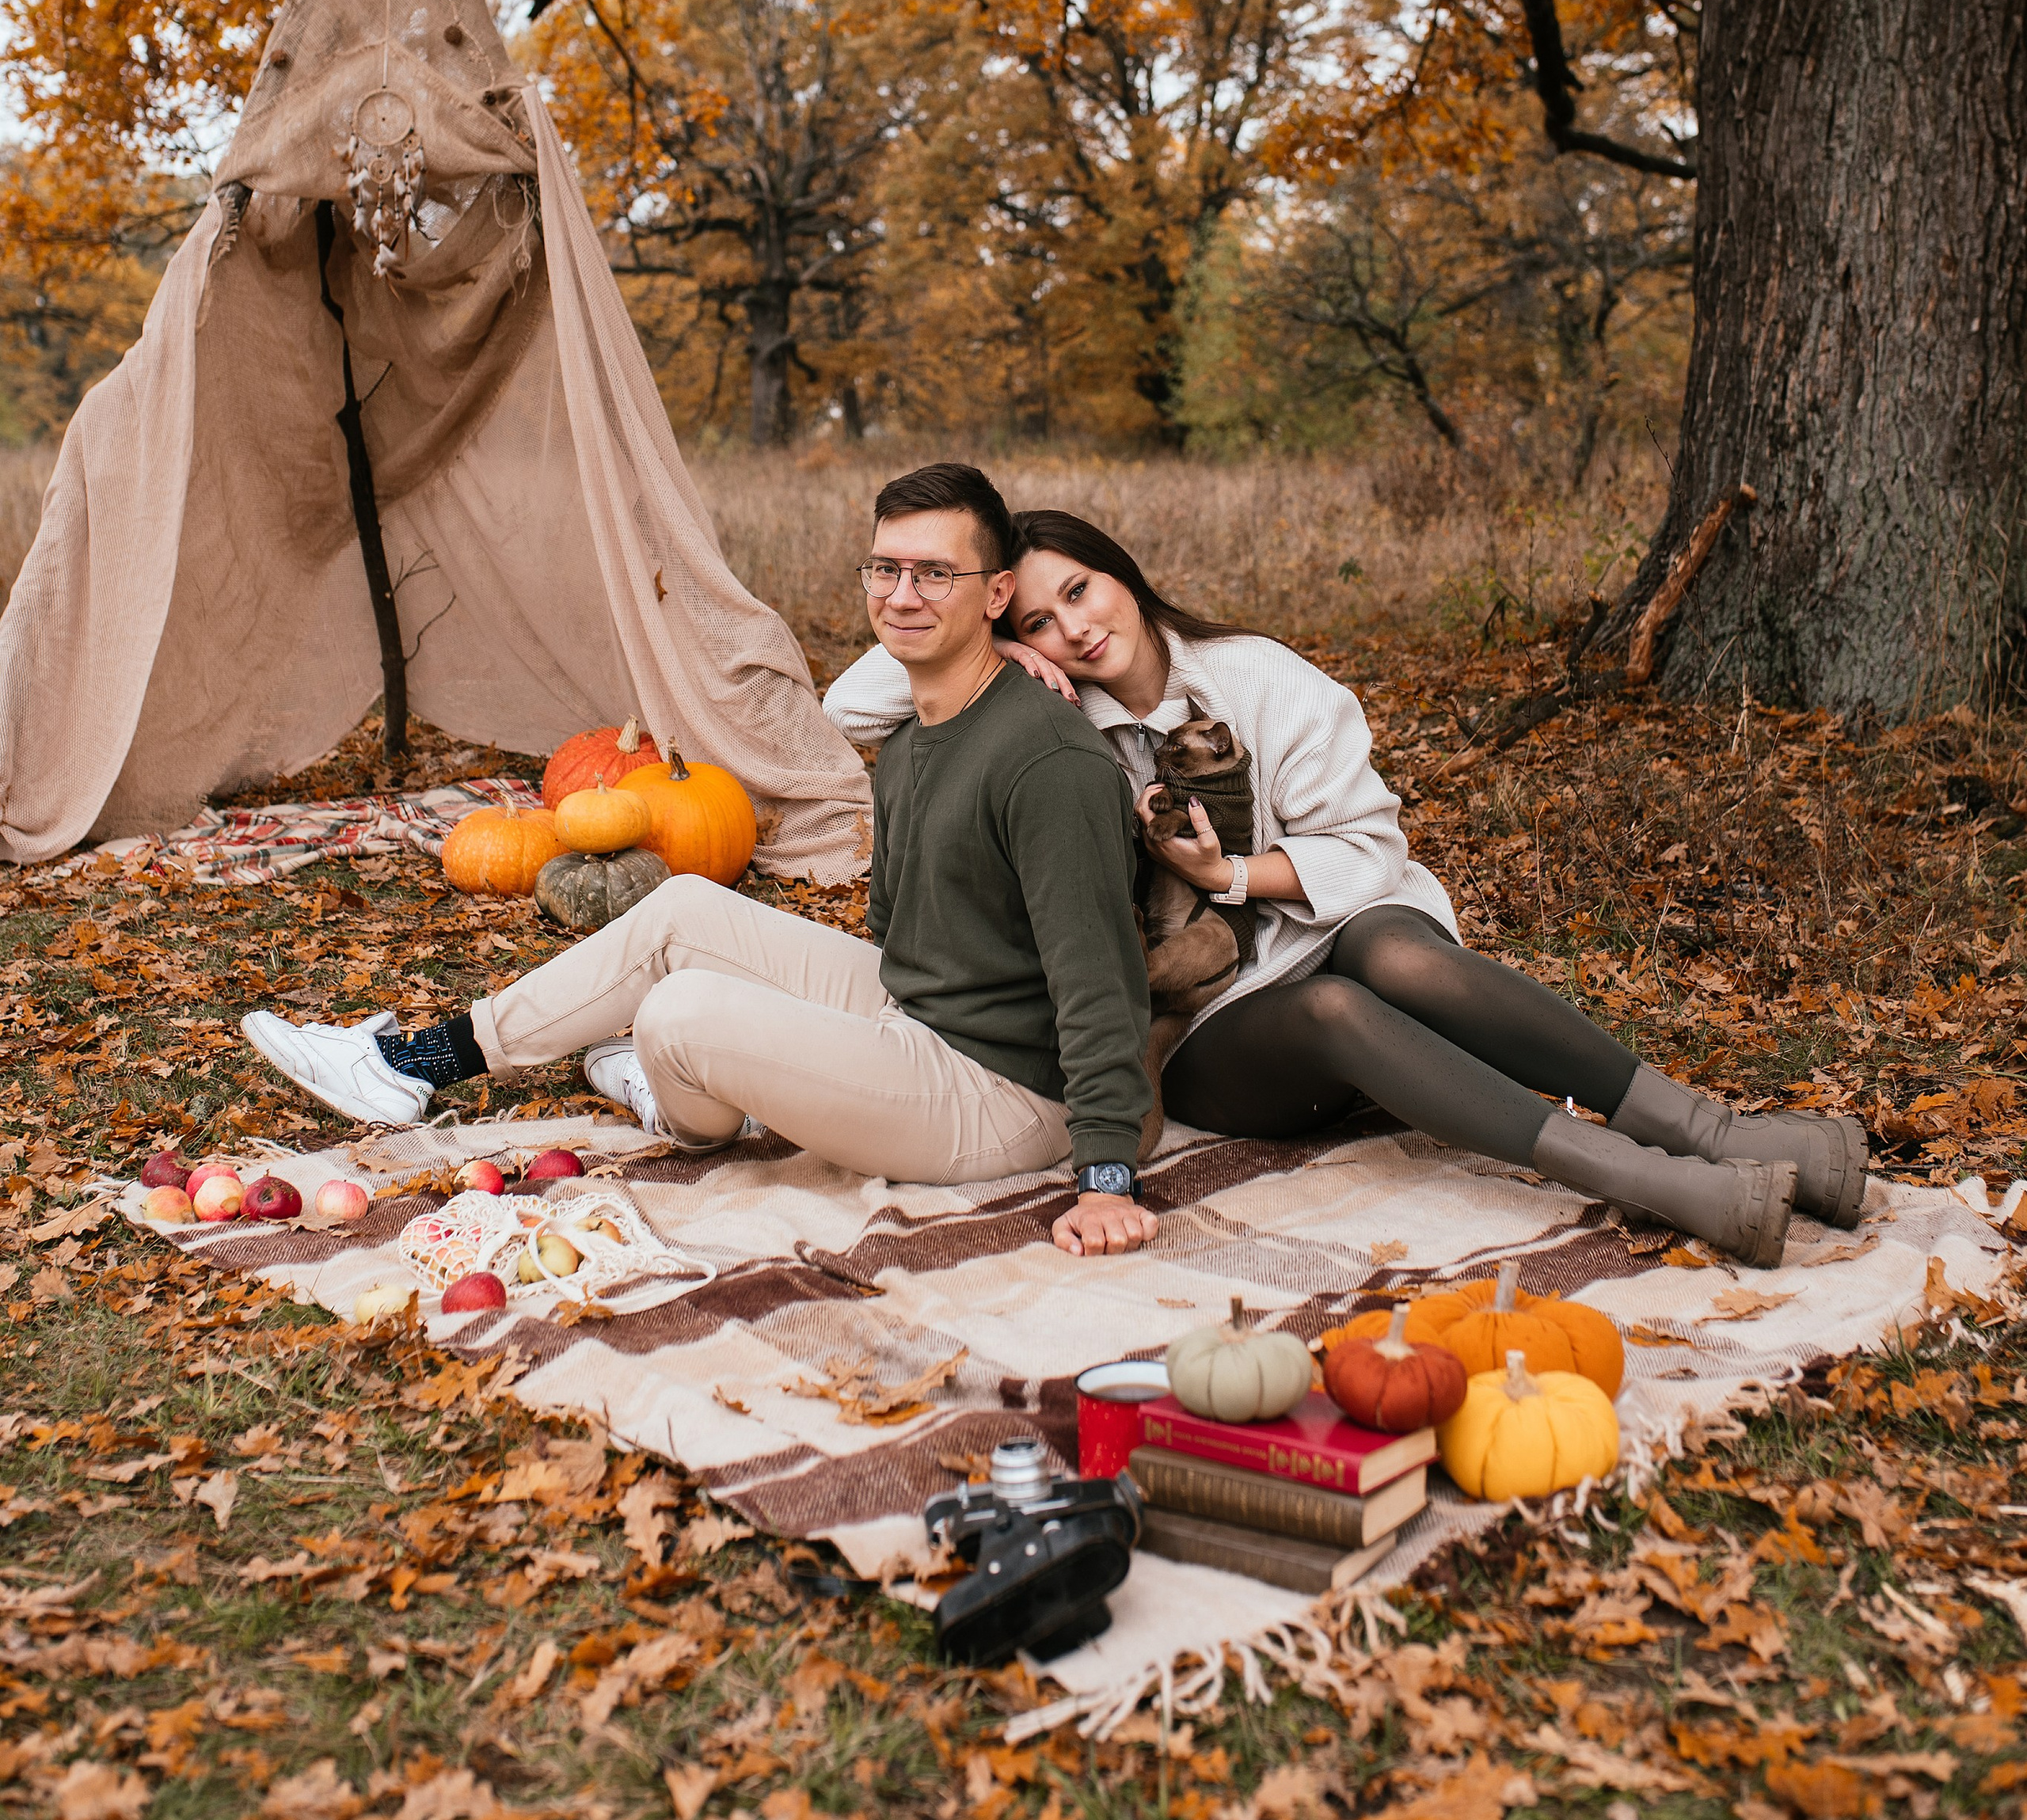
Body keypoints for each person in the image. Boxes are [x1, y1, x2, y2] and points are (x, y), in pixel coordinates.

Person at [823, 509, 1869, 1271]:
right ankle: (1655, 1181)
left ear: (1122, 575)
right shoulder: (1052, 728)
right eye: (1042, 618)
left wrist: (1229, 873)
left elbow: (1368, 850)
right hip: (1212, 1022)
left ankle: (1714, 1134)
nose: (1074, 630)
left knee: (1388, 952)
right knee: (1333, 1001)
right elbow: (855, 700)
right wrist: (989, 639)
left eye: (1080, 592)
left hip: (1344, 924)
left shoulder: (1259, 678)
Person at [241, 463, 1160, 1260]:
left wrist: (1108, 1176)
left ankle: (686, 1093)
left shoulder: (1047, 762)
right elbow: (901, 930)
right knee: (682, 910)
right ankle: (414, 1063)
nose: (902, 594)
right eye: (886, 569)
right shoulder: (920, 735)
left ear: (995, 594)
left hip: (1004, 1089)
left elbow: (1099, 980)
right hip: (917, 1007)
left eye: (934, 574)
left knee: (677, 1011)